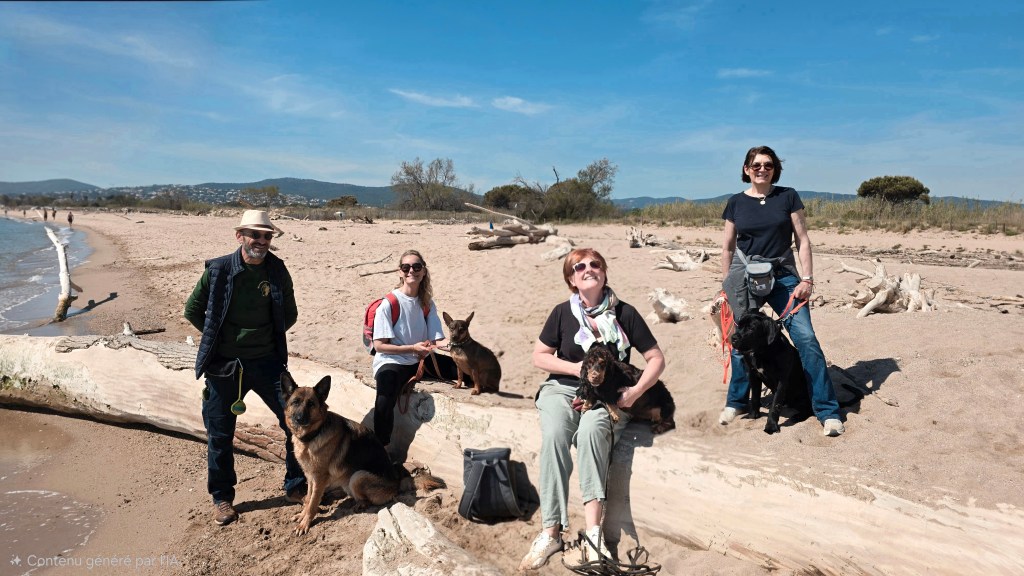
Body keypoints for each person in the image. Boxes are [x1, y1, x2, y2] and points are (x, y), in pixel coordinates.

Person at [519, 248, 666, 570]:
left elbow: (656, 358)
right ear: (571, 279)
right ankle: (551, 532)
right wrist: (577, 369)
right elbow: (540, 356)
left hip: (609, 396)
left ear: (604, 272)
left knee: (591, 432)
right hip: (562, 388)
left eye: (595, 264)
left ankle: (593, 534)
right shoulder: (562, 313)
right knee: (555, 435)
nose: (588, 269)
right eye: (579, 267)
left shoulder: (625, 313)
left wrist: (636, 391)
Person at [183, 210, 306, 526]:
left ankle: (296, 485)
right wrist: (220, 337)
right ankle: (222, 498)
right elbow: (192, 309)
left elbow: (290, 314)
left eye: (267, 236)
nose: (261, 241)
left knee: (294, 421)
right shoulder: (219, 270)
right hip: (224, 365)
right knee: (219, 433)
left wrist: (263, 337)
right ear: (240, 236)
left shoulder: (277, 270)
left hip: (267, 362)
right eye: (255, 235)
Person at [718, 145, 844, 437]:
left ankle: (827, 411)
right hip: (745, 277)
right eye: (756, 165)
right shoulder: (735, 202)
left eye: (768, 165)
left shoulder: (788, 196)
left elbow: (802, 240)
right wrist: (726, 285)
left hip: (784, 276)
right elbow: (727, 248)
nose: (762, 169)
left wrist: (807, 279)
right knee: (741, 338)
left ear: (775, 169)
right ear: (747, 169)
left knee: (806, 338)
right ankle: (737, 402)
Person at [371, 249, 464, 449]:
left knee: (466, 371)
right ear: (400, 272)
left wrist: (455, 346)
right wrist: (412, 348)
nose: (411, 271)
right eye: (406, 267)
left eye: (416, 266)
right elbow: (379, 345)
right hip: (393, 361)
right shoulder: (389, 304)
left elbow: (437, 339)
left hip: (421, 359)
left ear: (423, 271)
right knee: (384, 398)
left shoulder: (426, 303)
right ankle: (381, 450)